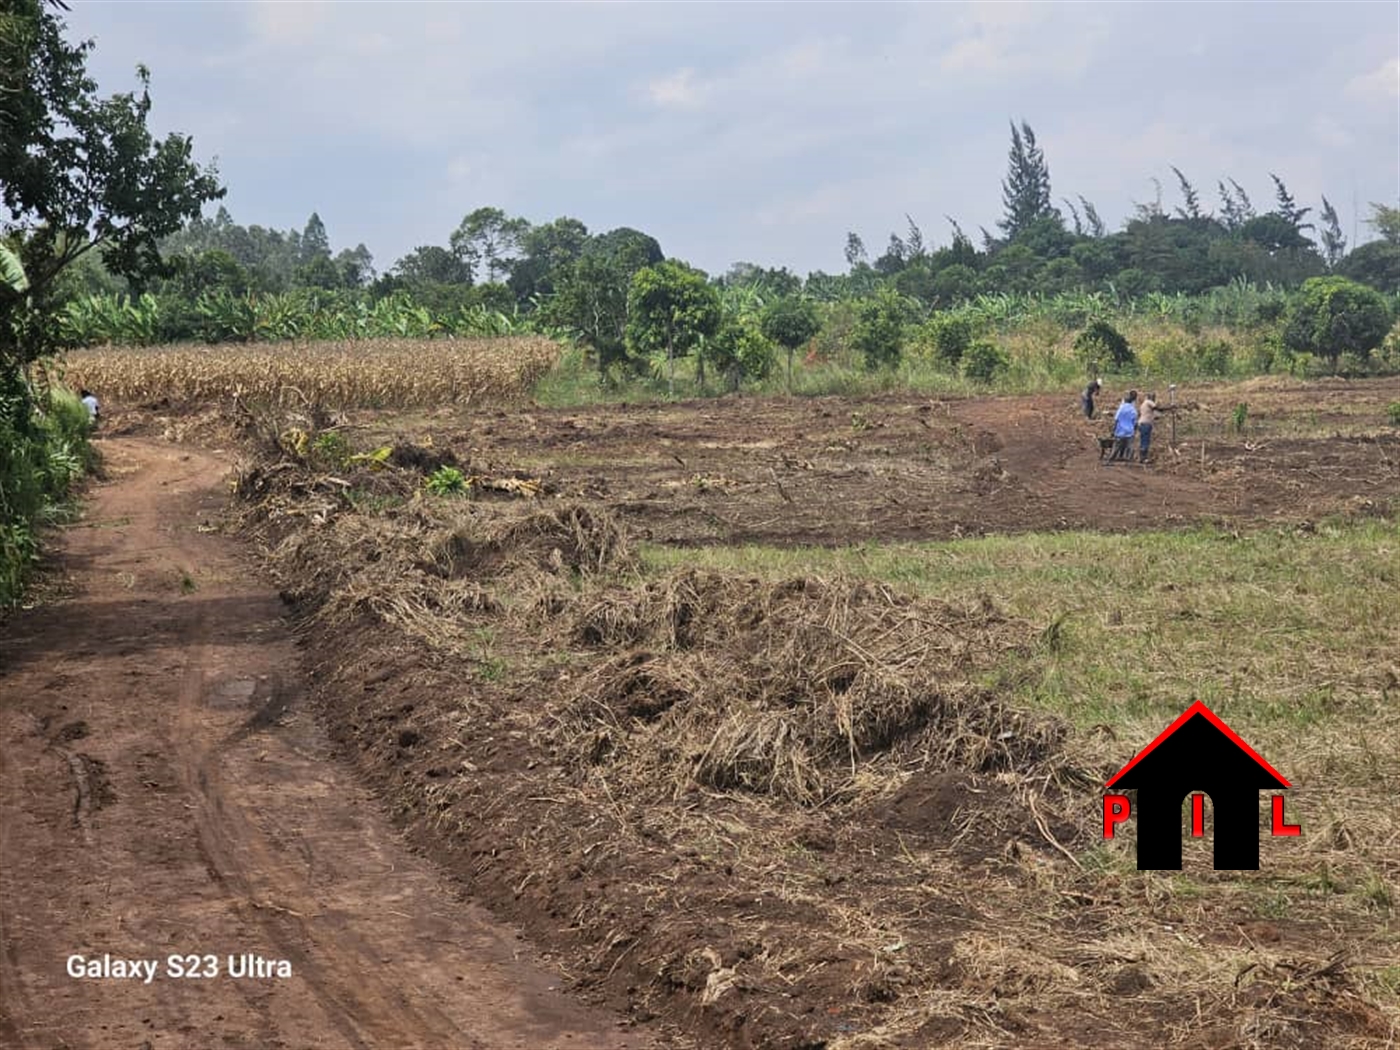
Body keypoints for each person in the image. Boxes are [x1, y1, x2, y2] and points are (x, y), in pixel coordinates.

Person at [1108, 390, 1138, 463]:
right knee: (1130, 447)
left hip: (1120, 431)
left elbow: (1116, 420)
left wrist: (1113, 430)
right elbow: (1135, 422)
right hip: (1129, 431)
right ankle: (1129, 461)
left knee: (1116, 446)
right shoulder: (1133, 410)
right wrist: (1135, 430)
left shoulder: (1121, 409)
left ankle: (1110, 460)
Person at [1138, 392, 1158, 464]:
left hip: (1142, 423)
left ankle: (1142, 457)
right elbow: (1157, 408)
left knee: (1143, 440)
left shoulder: (1144, 404)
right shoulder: (1149, 402)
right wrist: (1169, 407)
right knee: (1145, 441)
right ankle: (1144, 458)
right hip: (1146, 424)